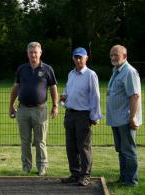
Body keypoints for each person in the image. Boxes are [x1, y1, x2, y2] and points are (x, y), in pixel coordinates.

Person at [9, 42, 58, 176]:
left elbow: (53, 88)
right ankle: (26, 167)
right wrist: (11, 105)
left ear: (40, 53)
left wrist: (55, 105)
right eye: (31, 52)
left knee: (40, 141)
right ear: (27, 54)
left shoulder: (47, 69)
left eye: (35, 52)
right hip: (23, 110)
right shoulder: (21, 69)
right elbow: (15, 88)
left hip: (40, 110)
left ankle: (42, 167)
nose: (33, 55)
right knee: (25, 141)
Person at [60, 47, 102, 186]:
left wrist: (95, 116)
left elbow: (95, 96)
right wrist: (63, 97)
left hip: (83, 115)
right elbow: (67, 90)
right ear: (73, 58)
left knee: (83, 147)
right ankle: (75, 174)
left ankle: (85, 175)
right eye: (76, 57)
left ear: (86, 58)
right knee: (71, 147)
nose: (78, 60)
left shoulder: (91, 74)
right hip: (70, 114)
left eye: (81, 57)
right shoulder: (71, 74)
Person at [106, 45, 142, 187]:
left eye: (116, 55)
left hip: (126, 119)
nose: (113, 57)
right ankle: (123, 178)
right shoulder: (116, 71)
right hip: (117, 119)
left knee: (128, 150)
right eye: (111, 55)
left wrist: (132, 117)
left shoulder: (129, 72)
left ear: (125, 56)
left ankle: (131, 181)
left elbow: (135, 96)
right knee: (121, 150)